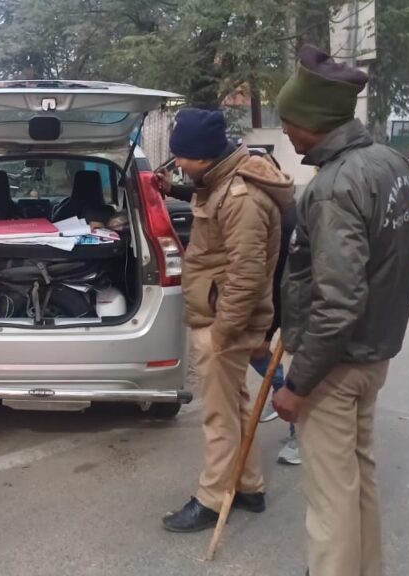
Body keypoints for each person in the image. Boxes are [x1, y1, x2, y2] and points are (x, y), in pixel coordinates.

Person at [272, 45, 409, 576]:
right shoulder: (392, 163)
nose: (285, 131)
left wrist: (298, 384)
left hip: (334, 366)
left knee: (330, 496)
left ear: (314, 122)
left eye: (289, 121)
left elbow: (338, 301)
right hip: (373, 353)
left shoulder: (333, 187)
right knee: (358, 475)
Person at [155, 108, 294, 533]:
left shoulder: (241, 198)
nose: (178, 163)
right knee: (234, 406)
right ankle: (249, 486)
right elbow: (206, 201)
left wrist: (222, 333)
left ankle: (212, 499)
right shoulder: (222, 181)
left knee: (218, 418)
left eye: (181, 157)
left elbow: (246, 276)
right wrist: (176, 189)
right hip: (224, 320)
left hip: (224, 324)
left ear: (202, 155)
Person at [251, 199, 301, 466]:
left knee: (306, 372)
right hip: (282, 299)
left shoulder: (281, 216)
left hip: (297, 303)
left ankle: (300, 435)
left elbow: (281, 278)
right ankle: (281, 387)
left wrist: (267, 333)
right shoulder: (267, 203)